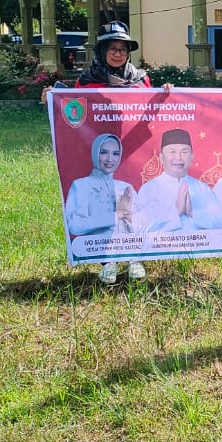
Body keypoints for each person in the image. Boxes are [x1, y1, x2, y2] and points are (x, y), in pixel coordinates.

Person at [69, 22, 163, 281]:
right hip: (100, 151)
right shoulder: (87, 81)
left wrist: (164, 95)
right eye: (112, 48)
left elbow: (150, 112)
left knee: (131, 204)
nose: (118, 54)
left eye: (123, 48)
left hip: (133, 151)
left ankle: (136, 257)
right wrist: (51, 98)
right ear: (102, 51)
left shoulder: (141, 79)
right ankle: (106, 260)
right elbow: (74, 112)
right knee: (103, 204)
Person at [64, 133, 140, 284]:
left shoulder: (125, 187)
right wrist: (115, 215)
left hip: (129, 248)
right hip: (98, 248)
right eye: (104, 152)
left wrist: (129, 217)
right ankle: (108, 263)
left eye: (115, 153)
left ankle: (133, 262)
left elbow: (142, 226)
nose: (110, 159)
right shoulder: (81, 186)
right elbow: (74, 225)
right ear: (95, 153)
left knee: (137, 273)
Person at [134, 128, 222, 233]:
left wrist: (193, 212)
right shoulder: (149, 189)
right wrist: (175, 212)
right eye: (172, 152)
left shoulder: (203, 189)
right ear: (161, 157)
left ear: (192, 157)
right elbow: (139, 228)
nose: (178, 157)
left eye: (184, 152)